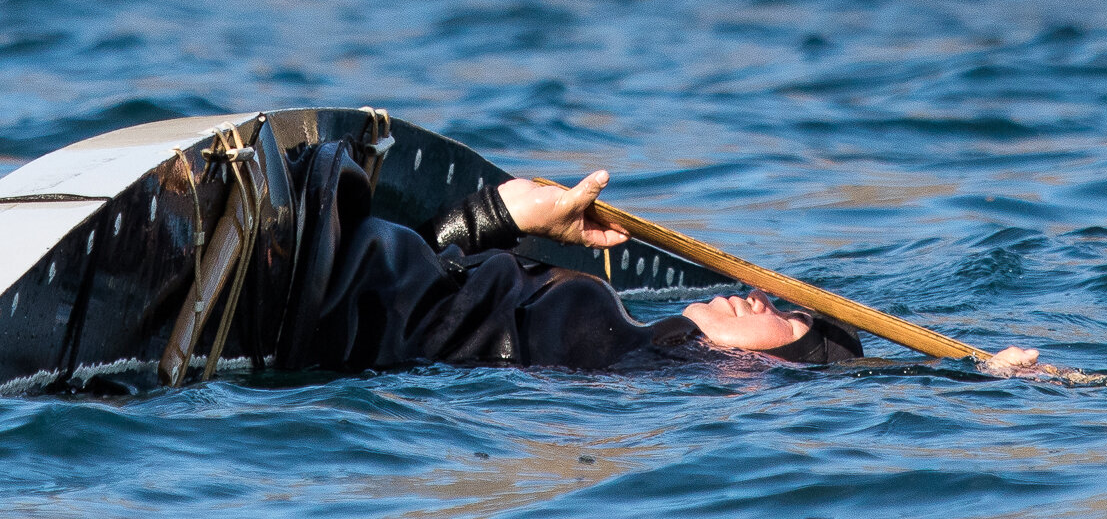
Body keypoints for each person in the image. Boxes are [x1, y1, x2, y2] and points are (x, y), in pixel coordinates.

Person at [266, 139, 1041, 375]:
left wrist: (976, 375)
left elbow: (861, 387)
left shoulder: (672, 370)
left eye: (790, 325)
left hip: (343, 307)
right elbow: (457, 291)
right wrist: (504, 216)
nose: (764, 301)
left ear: (773, 374)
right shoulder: (638, 329)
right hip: (374, 273)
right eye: (782, 302)